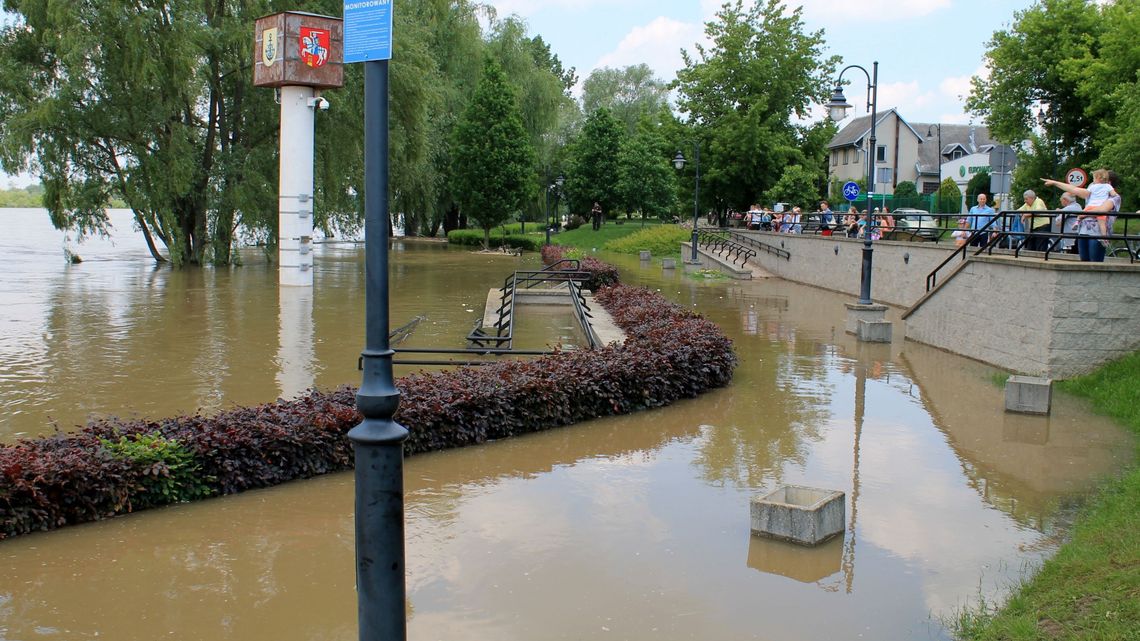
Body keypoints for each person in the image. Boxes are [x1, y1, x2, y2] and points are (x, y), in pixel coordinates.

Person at [1041, 170, 1122, 262]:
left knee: (1095, 262)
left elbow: (1101, 210)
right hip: (1083, 231)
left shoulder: (1115, 198)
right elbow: (1074, 189)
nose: (1093, 184)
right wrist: (1054, 183)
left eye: (1094, 181)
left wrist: (1083, 213)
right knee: (1084, 260)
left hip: (1098, 234)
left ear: (1107, 183)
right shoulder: (1093, 194)